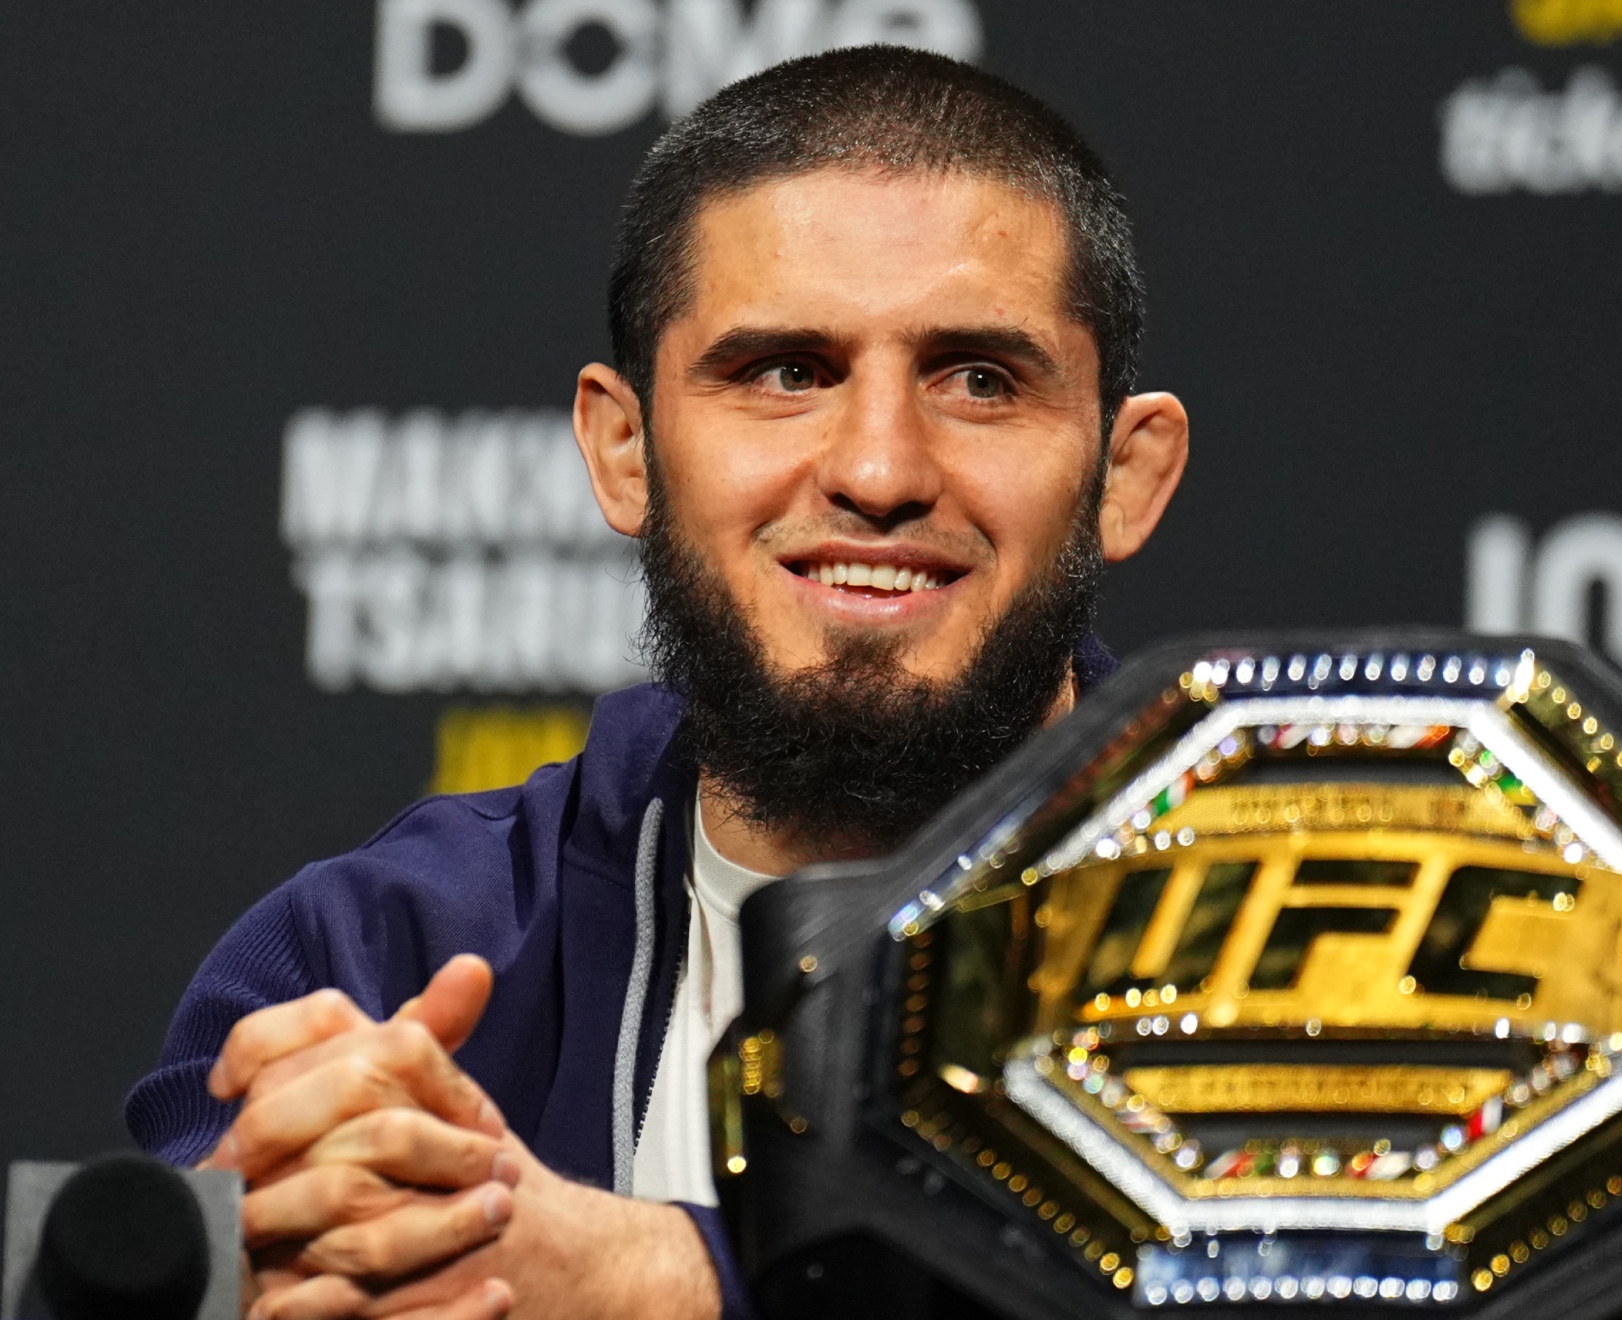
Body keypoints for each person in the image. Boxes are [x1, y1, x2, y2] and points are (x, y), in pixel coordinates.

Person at [126, 45, 1188, 1320]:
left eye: (979, 380)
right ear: (624, 450)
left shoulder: (1312, 947)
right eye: (787, 373)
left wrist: (654, 1280)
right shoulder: (378, 959)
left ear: (1125, 473)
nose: (879, 471)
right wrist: (253, 1259)